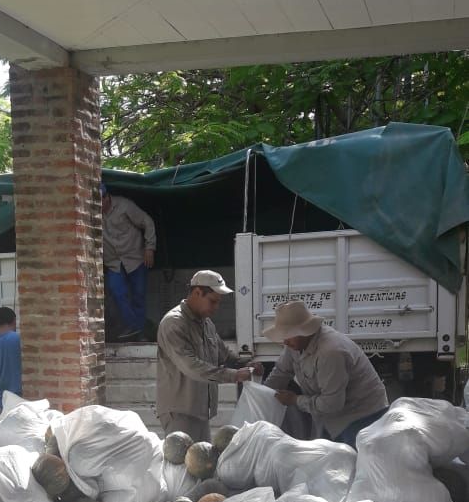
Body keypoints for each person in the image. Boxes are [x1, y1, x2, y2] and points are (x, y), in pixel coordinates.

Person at [262, 300, 388, 448]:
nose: (285, 342)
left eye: (289, 336)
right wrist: (261, 393)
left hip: (362, 416)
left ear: (305, 331)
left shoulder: (330, 351)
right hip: (330, 417)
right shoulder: (295, 345)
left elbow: (331, 404)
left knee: (353, 459)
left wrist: (295, 400)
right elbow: (281, 372)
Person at [157, 270, 262, 442]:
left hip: (200, 412)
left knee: (202, 458)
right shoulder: (174, 323)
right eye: (213, 301)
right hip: (180, 412)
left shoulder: (206, 323)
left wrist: (246, 364)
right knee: (183, 459)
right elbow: (191, 367)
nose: (216, 307)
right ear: (197, 293)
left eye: (218, 302)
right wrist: (234, 375)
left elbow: (224, 355)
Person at [101, 182, 156, 341]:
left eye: (101, 199)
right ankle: (135, 327)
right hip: (113, 262)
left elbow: (147, 222)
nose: (100, 203)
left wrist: (150, 247)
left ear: (107, 197)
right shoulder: (92, 211)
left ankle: (139, 334)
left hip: (135, 257)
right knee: (116, 291)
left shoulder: (124, 205)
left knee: (139, 295)